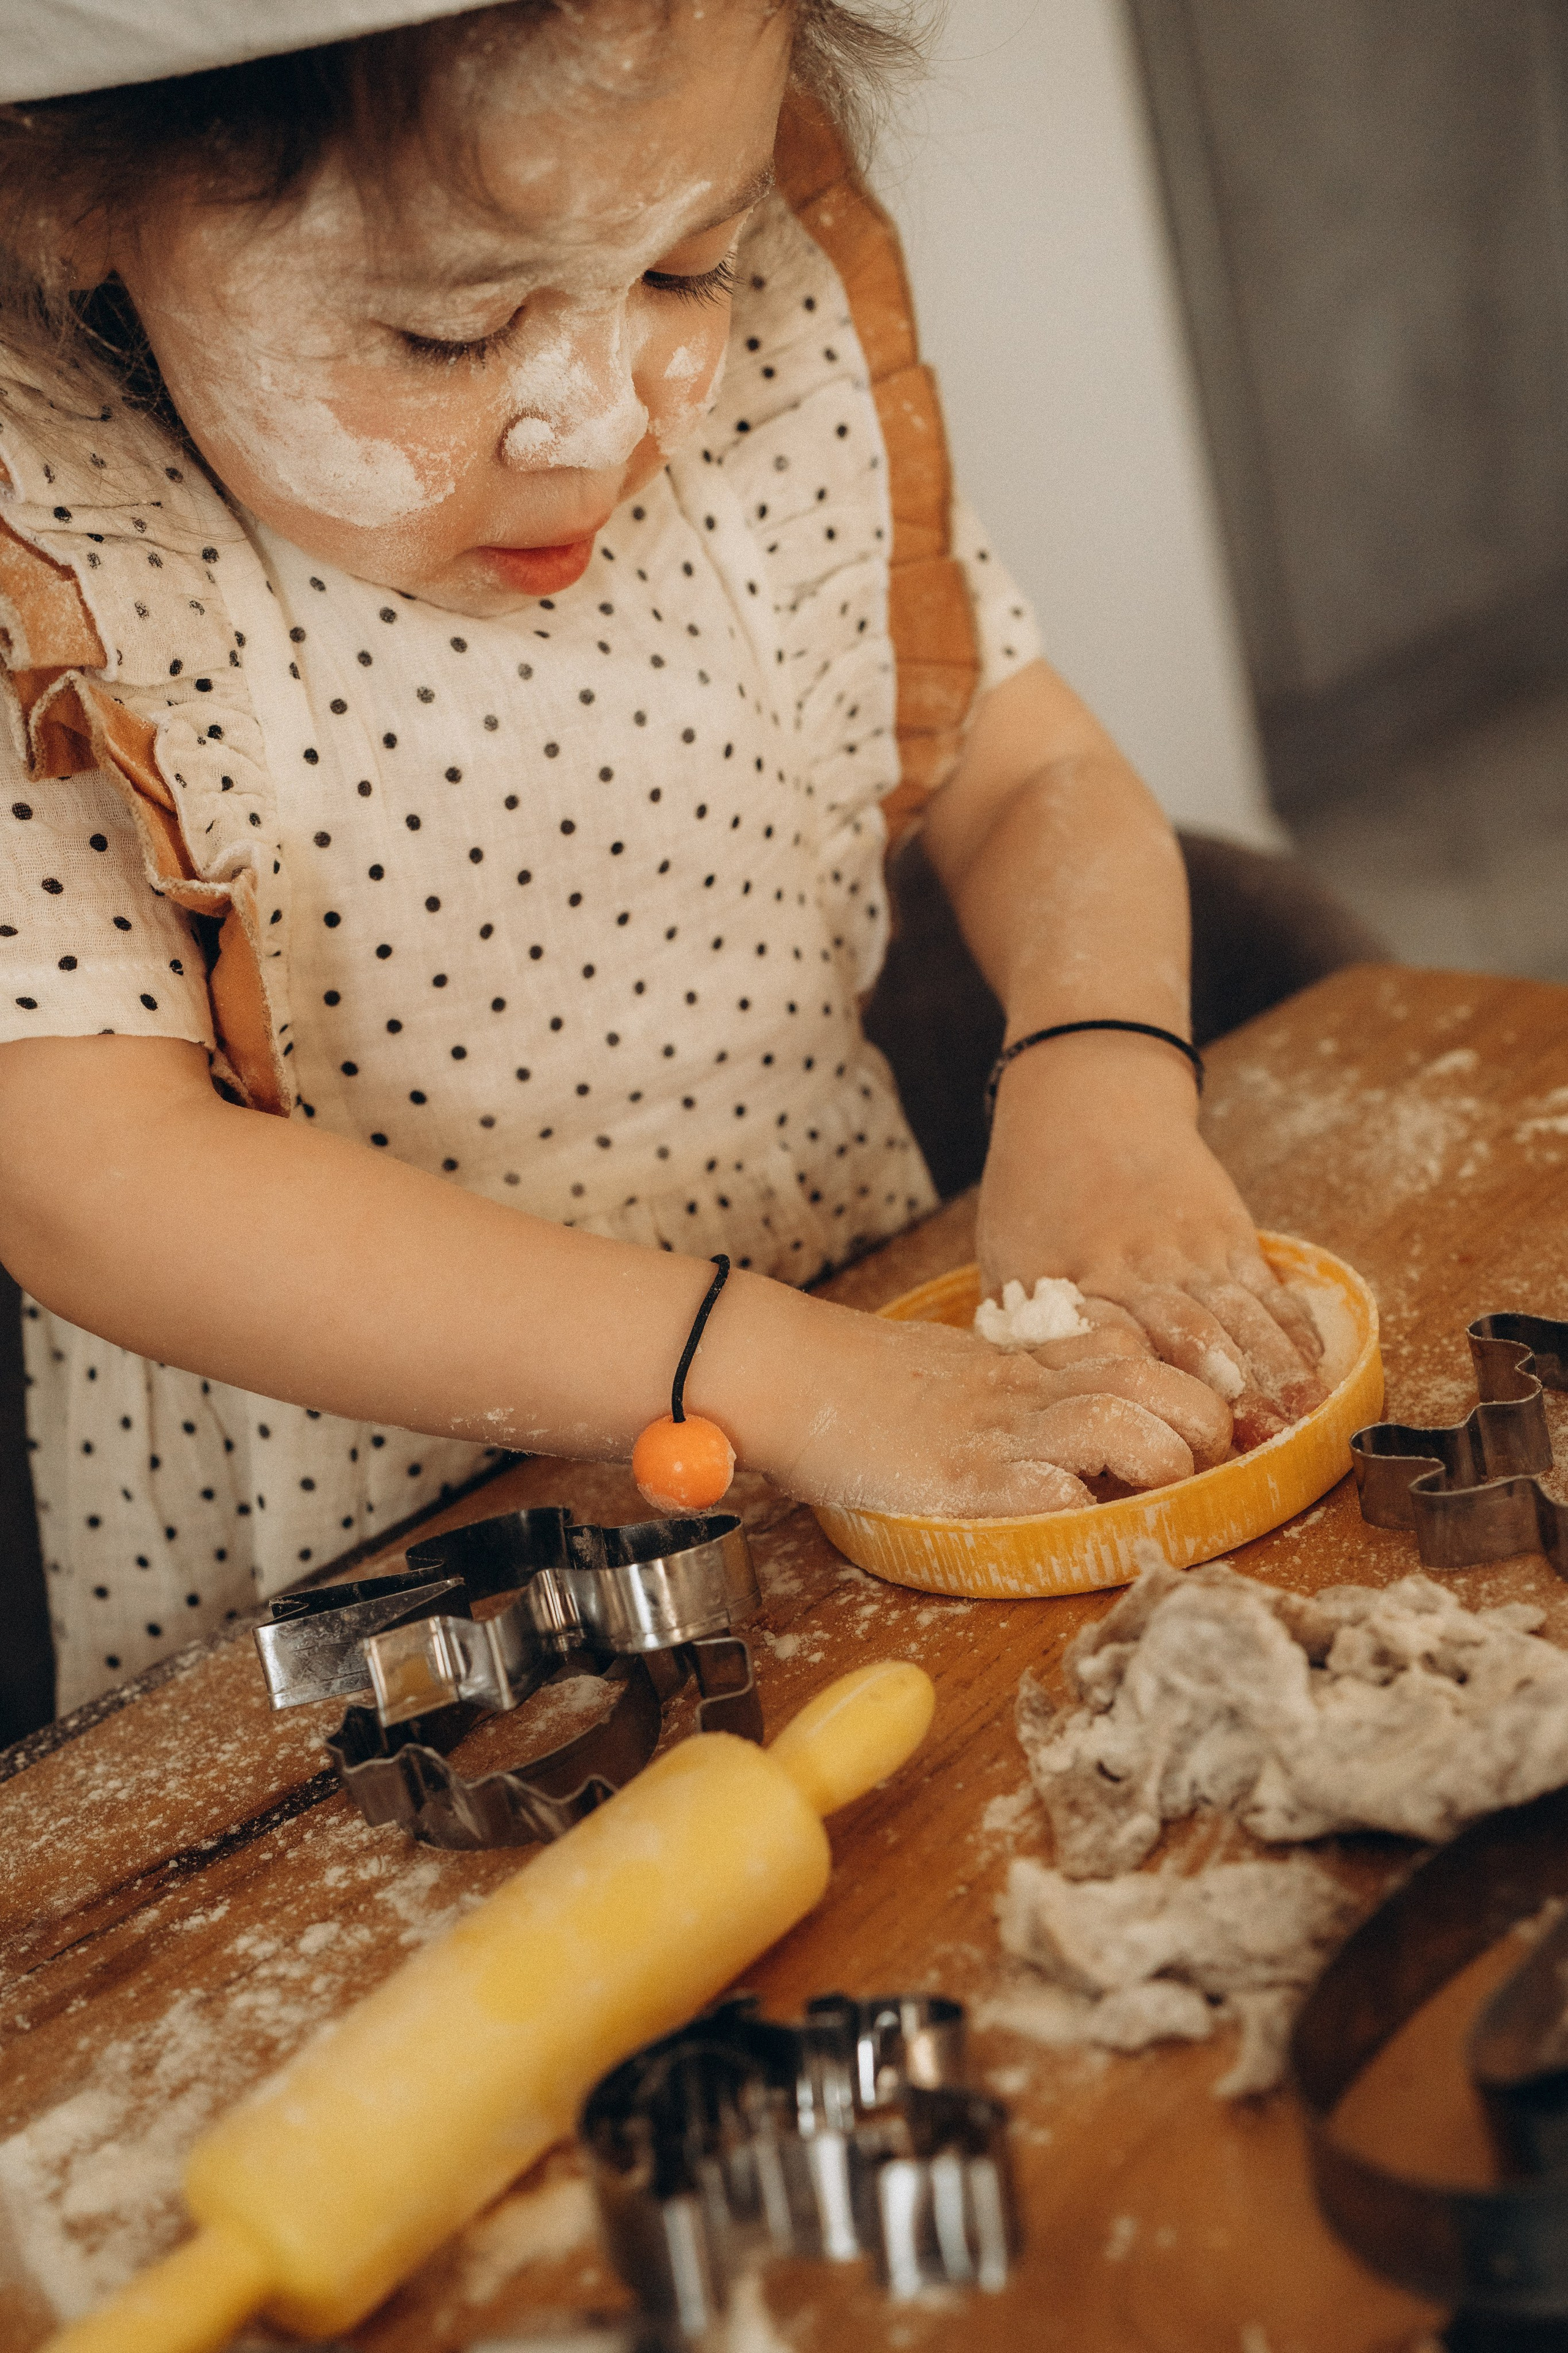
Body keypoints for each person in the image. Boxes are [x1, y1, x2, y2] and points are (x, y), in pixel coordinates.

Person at [0, 0, 1326, 1718]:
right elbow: (96, 1187)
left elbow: (1037, 774)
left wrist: (1102, 1086)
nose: (608, 413)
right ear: (68, 199)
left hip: (870, 1398)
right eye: (450, 331)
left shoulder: (760, 387)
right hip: (401, 1573)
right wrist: (769, 1369)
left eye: (687, 267)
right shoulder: (56, 561)